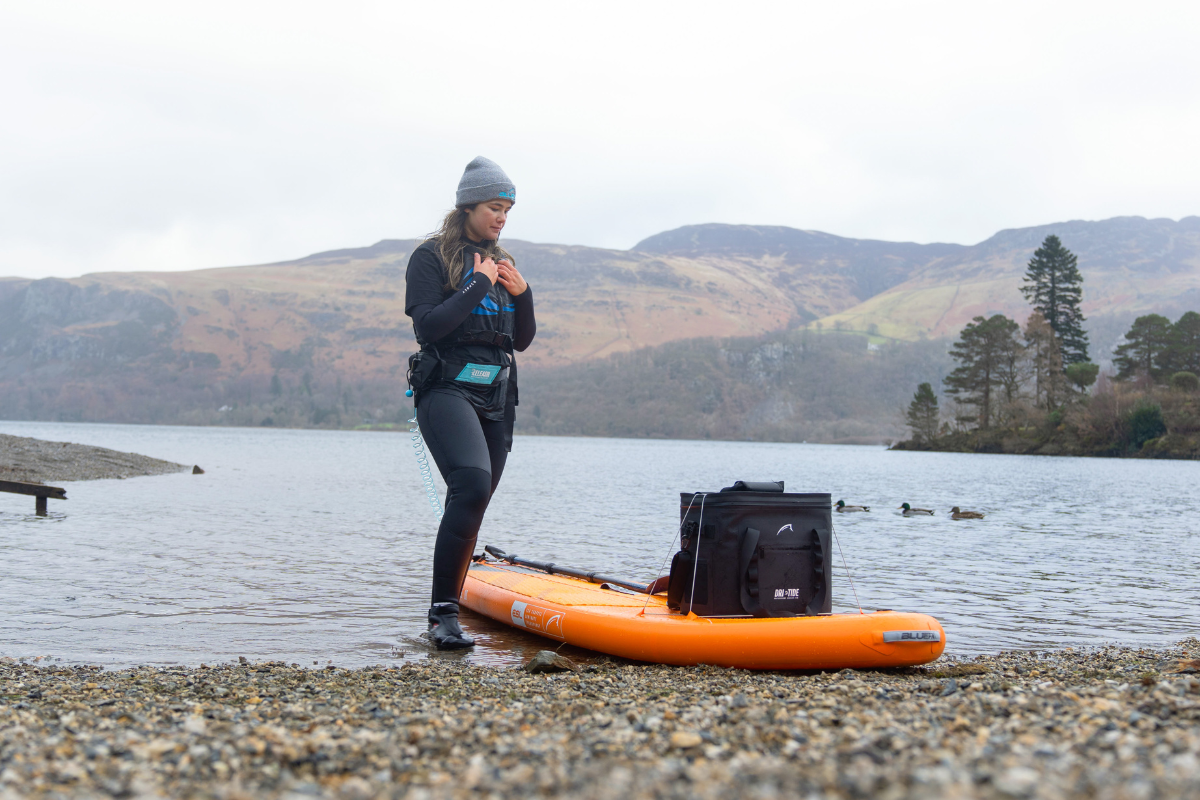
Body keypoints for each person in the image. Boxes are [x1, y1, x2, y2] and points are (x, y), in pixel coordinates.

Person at [404, 156, 536, 649]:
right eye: (494, 207)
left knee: (474, 502)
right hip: (445, 389)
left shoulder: (506, 262)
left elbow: (520, 341)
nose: (501, 217)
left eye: (507, 209)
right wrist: (478, 282)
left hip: (497, 395)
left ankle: (452, 606)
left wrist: (524, 297)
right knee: (472, 482)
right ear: (468, 206)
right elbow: (429, 327)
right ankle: (442, 617)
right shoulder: (430, 257)